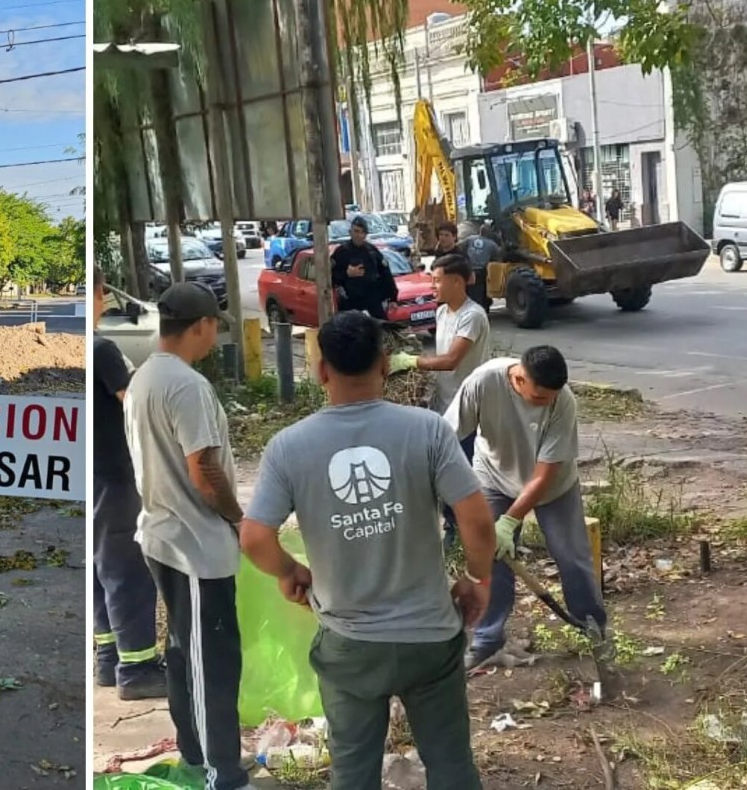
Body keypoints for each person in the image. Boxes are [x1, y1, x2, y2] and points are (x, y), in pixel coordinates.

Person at [240, 311, 495, 790]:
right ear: (384, 365)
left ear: (320, 370)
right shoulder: (428, 430)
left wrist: (289, 570)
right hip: (429, 637)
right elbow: (477, 519)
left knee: (353, 774)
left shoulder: (289, 447)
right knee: (451, 765)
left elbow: (254, 536)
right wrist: (478, 579)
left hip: (350, 644)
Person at [123, 281, 254, 790]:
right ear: (200, 326)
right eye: (214, 326)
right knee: (212, 665)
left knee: (183, 654)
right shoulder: (187, 386)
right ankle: (223, 773)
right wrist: (237, 516)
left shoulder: (144, 377)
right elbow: (205, 470)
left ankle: (195, 756)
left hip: (161, 534)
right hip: (195, 543)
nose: (213, 336)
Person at [444, 345, 608, 670]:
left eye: (551, 397)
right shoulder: (484, 382)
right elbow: (445, 437)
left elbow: (544, 475)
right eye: (538, 398)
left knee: (572, 558)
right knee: (490, 560)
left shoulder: (563, 402)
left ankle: (596, 634)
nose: (546, 403)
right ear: (518, 379)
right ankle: (487, 640)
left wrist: (509, 522)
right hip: (492, 475)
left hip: (552, 487)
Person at [91, 267, 167, 701]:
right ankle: (137, 669)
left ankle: (108, 660)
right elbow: (133, 403)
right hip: (117, 477)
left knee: (102, 569)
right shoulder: (102, 350)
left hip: (94, 475)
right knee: (127, 571)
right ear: (100, 294)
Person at [390, 253, 492, 548]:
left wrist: (411, 361)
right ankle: (453, 526)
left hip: (468, 409)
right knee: (440, 470)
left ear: (457, 281)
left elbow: (450, 361)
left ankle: (471, 531)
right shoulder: (442, 313)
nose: (433, 286)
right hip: (442, 405)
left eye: (437, 280)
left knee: (465, 472)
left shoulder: (472, 316)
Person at [331, 215, 398, 320]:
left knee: (382, 330)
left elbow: (386, 274)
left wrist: (393, 298)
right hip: (350, 303)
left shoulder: (372, 251)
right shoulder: (341, 252)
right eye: (356, 231)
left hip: (372, 302)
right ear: (350, 232)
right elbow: (330, 277)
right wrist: (346, 274)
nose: (359, 235)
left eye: (362, 232)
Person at [462, 226, 499, 312]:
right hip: (481, 271)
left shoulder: (470, 239)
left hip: (468, 269)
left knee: (470, 291)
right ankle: (480, 310)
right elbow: (497, 257)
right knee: (480, 292)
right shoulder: (492, 244)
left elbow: (460, 248)